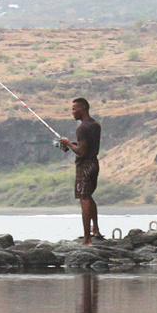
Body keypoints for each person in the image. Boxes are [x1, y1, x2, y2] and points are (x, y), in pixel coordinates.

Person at [58, 97, 102, 243]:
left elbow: (82, 152)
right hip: (94, 163)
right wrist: (73, 144)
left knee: (84, 199)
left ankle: (87, 238)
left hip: (85, 166)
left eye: (74, 109)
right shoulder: (95, 125)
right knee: (88, 196)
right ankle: (95, 230)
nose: (72, 112)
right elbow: (88, 146)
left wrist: (68, 144)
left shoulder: (82, 128)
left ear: (82, 109)